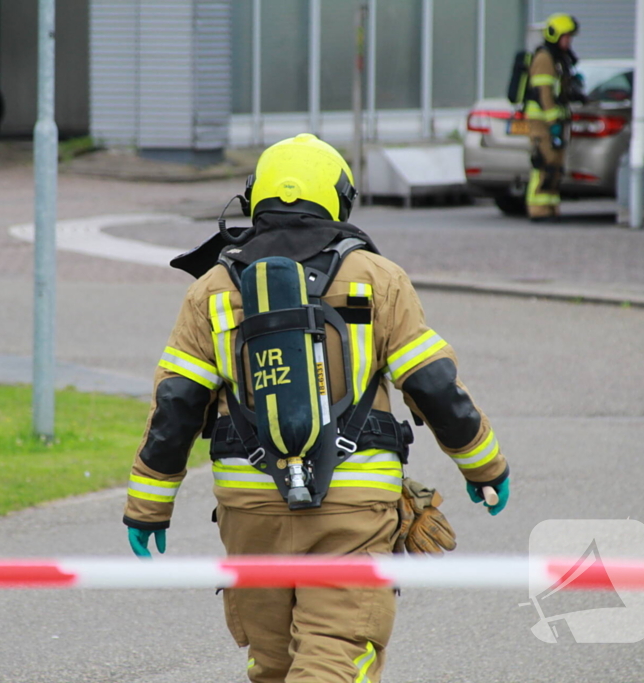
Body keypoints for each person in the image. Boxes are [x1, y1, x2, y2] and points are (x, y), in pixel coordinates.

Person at [122, 133, 510, 683]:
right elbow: (434, 385)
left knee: (272, 666)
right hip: (352, 507)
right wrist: (485, 466)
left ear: (255, 200)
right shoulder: (378, 279)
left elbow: (177, 406)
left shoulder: (212, 288)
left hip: (249, 509)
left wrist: (148, 505)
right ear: (339, 200)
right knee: (334, 658)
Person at [524, 13, 580, 222]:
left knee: (555, 164)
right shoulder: (544, 58)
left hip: (553, 121)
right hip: (542, 122)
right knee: (543, 162)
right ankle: (537, 208)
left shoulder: (558, 58)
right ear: (555, 36)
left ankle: (550, 206)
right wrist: (553, 122)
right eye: (565, 37)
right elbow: (544, 93)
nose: (568, 41)